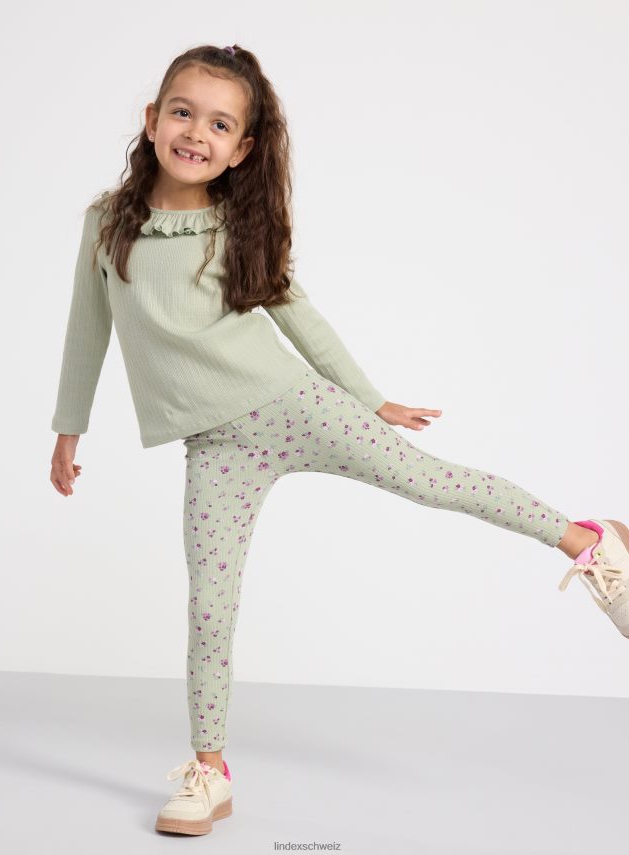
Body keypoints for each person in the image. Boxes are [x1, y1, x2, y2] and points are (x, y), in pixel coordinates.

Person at [49, 43, 629, 837]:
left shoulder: (235, 223)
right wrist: (69, 427)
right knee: (210, 606)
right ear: (151, 120)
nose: (195, 133)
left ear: (241, 149)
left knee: (430, 481)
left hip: (293, 404)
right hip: (214, 447)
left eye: (219, 125)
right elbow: (87, 328)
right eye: (182, 113)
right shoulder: (107, 222)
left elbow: (299, 316)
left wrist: (369, 398)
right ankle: (209, 772)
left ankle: (590, 542)